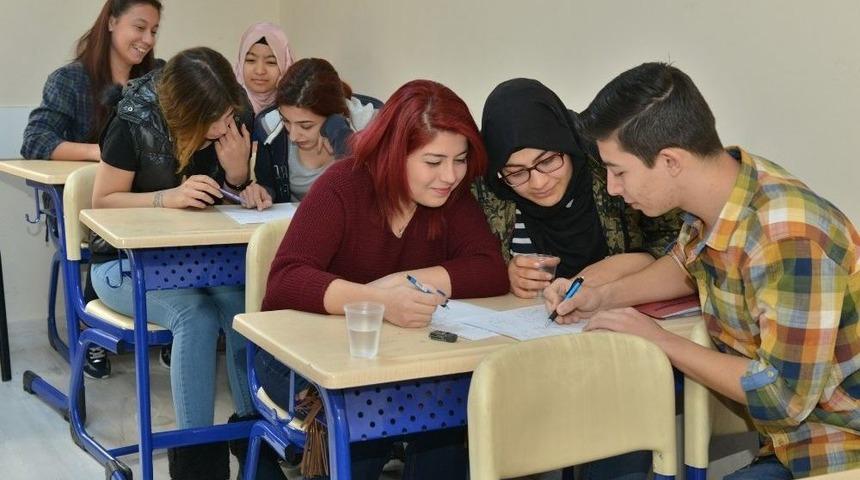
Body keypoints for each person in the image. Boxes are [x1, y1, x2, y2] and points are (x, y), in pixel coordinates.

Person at [548, 62, 860, 479]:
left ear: (670, 161)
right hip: (790, 446)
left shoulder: (787, 235)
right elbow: (684, 265)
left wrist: (660, 340)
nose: (612, 188)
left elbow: (781, 396)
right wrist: (599, 297)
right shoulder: (726, 192)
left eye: (619, 171)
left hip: (838, 452)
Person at [258, 79, 509, 479]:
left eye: (460, 160)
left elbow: (489, 268)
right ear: (395, 152)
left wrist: (400, 282)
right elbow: (285, 281)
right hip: (304, 360)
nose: (450, 175)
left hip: (399, 359)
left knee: (453, 409)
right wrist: (375, 301)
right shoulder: (343, 185)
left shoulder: (451, 198)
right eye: (433, 161)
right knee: (369, 419)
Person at [91, 47, 274, 480]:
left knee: (240, 307)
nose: (226, 127)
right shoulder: (133, 120)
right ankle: (196, 463)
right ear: (184, 114)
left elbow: (229, 197)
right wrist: (165, 198)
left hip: (204, 261)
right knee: (196, 318)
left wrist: (239, 179)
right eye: (215, 121)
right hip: (127, 266)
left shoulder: (231, 117)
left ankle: (252, 441)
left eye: (230, 116)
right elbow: (101, 203)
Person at [20, 0, 163, 380]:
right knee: (112, 224)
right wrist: (101, 153)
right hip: (88, 207)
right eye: (140, 27)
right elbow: (35, 141)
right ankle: (97, 328)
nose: (147, 39)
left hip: (146, 203)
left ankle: (173, 326)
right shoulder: (71, 80)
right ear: (112, 21)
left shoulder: (157, 80)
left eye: (154, 31)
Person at [474, 78, 682, 301]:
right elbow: (463, 258)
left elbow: (682, 239)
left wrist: (636, 262)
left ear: (567, 145)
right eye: (516, 172)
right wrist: (502, 275)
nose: (538, 183)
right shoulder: (488, 190)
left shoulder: (610, 168)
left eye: (547, 161)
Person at [253, 57, 382, 203]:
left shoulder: (373, 128)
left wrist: (341, 136)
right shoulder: (271, 131)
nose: (293, 136)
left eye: (306, 126)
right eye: (286, 121)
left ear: (336, 114)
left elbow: (368, 193)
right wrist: (262, 192)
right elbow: (267, 185)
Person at [234, 21, 293, 116]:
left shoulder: (295, 109)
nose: (260, 71)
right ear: (240, 63)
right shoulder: (225, 106)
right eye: (251, 60)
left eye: (271, 62)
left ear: (284, 65)